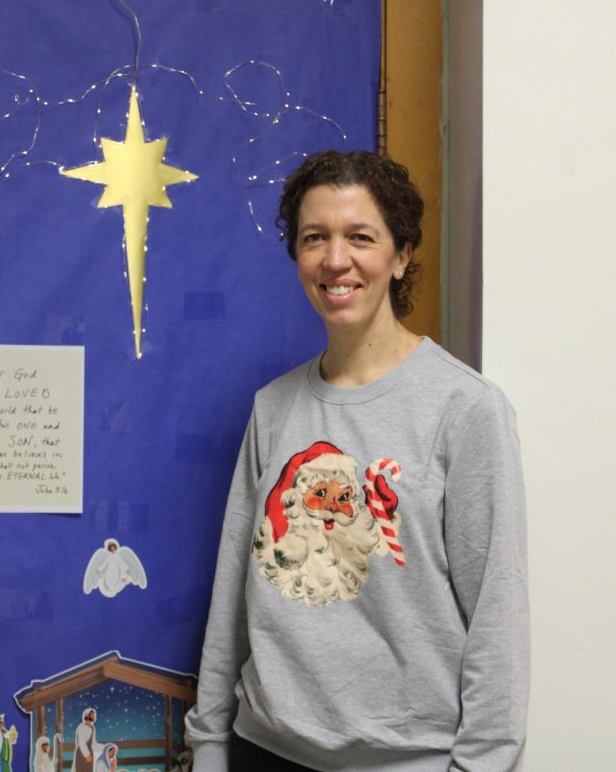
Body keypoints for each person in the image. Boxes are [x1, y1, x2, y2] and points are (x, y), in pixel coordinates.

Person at [185, 151, 529, 771]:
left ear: (401, 256)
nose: (335, 260)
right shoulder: (273, 408)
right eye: (315, 238)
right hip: (266, 750)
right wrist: (209, 744)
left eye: (360, 237)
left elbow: (497, 619)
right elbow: (233, 595)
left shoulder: (466, 410)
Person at [73, 708, 99, 772]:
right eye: (91, 715)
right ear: (87, 716)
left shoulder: (92, 728)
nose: (93, 716)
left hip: (89, 752)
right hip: (82, 753)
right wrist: (87, 755)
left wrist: (103, 748)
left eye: (93, 715)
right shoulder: (82, 727)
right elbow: (81, 743)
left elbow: (94, 743)